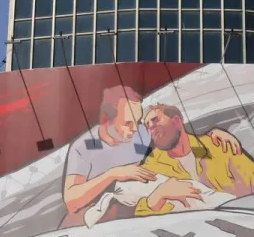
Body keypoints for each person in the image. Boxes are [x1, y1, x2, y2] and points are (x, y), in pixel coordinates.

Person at [61, 84, 244, 227]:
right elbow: (72, 201)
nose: (135, 129)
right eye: (127, 123)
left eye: (138, 121)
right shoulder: (84, 147)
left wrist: (213, 134)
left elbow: (174, 134)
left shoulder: (140, 133)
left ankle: (233, 210)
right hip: (102, 211)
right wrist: (113, 174)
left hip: (138, 199)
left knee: (189, 192)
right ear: (105, 121)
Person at [132, 104, 254, 216]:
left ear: (176, 121)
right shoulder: (152, 166)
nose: (150, 127)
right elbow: (136, 215)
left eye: (155, 119)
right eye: (147, 124)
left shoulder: (218, 146)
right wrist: (157, 196)